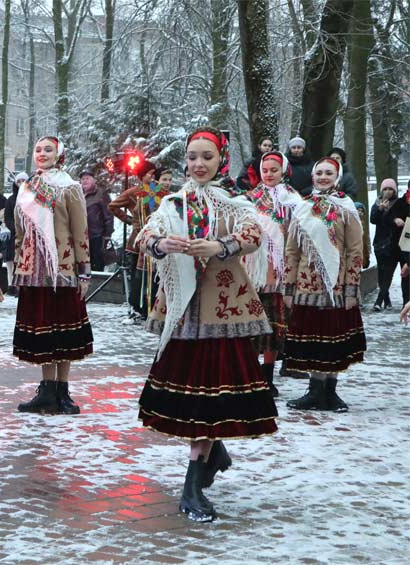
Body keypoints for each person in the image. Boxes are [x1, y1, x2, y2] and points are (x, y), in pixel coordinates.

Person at [136, 127, 277, 523]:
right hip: (183, 313)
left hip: (222, 312)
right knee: (195, 397)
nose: (198, 164)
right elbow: (147, 234)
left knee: (211, 396)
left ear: (221, 161)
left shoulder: (233, 202)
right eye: (193, 156)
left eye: (207, 157)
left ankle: (192, 483)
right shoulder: (173, 204)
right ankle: (211, 455)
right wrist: (161, 245)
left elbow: (253, 234)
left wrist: (220, 245)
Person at [13, 136, 93, 414]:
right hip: (33, 271)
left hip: (62, 268)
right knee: (44, 333)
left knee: (63, 331)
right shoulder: (26, 188)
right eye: (38, 149)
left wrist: (84, 271)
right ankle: (46, 390)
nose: (42, 153)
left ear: (60, 154)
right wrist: (17, 262)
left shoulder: (69, 188)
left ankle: (62, 390)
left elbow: (80, 229)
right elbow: (19, 230)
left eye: (48, 149)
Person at [284, 157, 366, 412]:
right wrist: (289, 287)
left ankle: (330, 392)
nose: (322, 177)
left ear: (337, 176)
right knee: (313, 340)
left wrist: (351, 287)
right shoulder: (303, 207)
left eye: (328, 173)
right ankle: (314, 390)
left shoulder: (346, 207)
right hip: (306, 286)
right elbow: (292, 250)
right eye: (318, 172)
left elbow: (354, 250)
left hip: (337, 286)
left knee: (333, 340)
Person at [246, 152, 302, 396]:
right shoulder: (250, 198)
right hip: (252, 269)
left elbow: (299, 233)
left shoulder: (292, 200)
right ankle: (248, 374)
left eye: (273, 170)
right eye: (265, 170)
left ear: (283, 171)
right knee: (250, 324)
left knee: (273, 326)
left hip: (278, 271)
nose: (268, 174)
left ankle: (267, 377)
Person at [109, 160, 169, 320]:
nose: (153, 176)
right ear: (143, 175)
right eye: (150, 173)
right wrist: (130, 220)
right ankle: (138, 305)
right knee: (139, 273)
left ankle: (152, 305)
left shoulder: (160, 192)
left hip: (157, 239)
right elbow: (113, 205)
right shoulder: (134, 192)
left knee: (153, 274)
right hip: (138, 240)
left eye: (155, 173)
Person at [369, 178, 406, 310]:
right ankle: (387, 299)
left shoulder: (398, 204)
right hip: (379, 243)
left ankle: (379, 301)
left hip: (392, 244)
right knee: (381, 272)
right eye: (385, 189)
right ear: (381, 190)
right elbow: (373, 219)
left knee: (388, 273)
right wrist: (380, 209)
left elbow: (397, 222)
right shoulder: (377, 203)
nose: (388, 192)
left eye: (391, 189)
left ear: (395, 190)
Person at [81, 169, 114, 271]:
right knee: (84, 264)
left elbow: (108, 215)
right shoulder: (78, 194)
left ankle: (96, 284)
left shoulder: (101, 194)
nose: (84, 181)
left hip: (97, 236)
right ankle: (84, 284)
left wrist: (107, 234)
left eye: (87, 178)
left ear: (94, 180)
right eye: (82, 179)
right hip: (81, 236)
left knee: (96, 263)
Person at [3, 173, 25, 295]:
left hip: (29, 235)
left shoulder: (32, 197)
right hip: (15, 235)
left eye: (23, 181)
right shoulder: (11, 200)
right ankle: (13, 285)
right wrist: (15, 229)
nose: (21, 183)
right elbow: (8, 217)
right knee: (13, 260)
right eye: (19, 181)